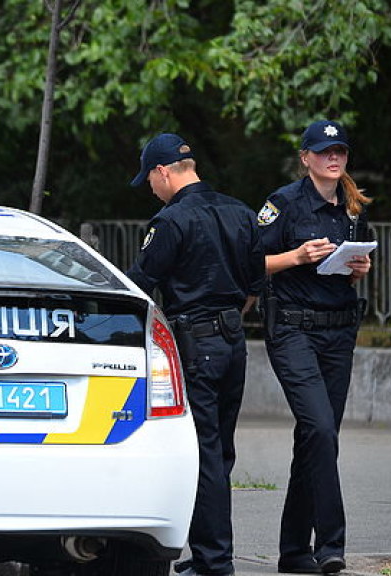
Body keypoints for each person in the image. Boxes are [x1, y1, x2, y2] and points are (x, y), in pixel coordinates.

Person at [126, 132, 265, 576]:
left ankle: (213, 560)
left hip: (196, 345)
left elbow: (139, 286)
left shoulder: (170, 221)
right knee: (221, 449)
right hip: (233, 343)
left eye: (149, 178)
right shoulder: (241, 212)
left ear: (163, 172)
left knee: (203, 451)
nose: (150, 187)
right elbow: (255, 287)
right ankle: (213, 554)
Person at [256, 120, 373, 575]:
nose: (333, 158)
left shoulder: (352, 205)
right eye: (324, 151)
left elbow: (354, 262)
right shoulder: (281, 203)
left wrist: (357, 268)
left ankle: (292, 552)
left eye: (340, 150)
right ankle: (330, 546)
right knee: (321, 430)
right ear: (305, 157)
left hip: (339, 331)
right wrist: (297, 257)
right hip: (292, 330)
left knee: (316, 438)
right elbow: (251, 262)